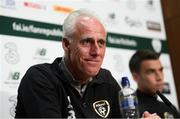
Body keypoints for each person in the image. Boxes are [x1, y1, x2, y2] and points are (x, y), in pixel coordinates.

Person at [15, 9, 161, 118]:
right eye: (87, 42)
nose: (96, 51)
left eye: (101, 43)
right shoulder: (40, 78)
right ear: (67, 45)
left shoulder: (106, 80)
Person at [129, 49, 180, 118]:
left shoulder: (170, 108)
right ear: (135, 77)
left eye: (160, 70)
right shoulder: (129, 110)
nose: (159, 77)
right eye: (151, 72)